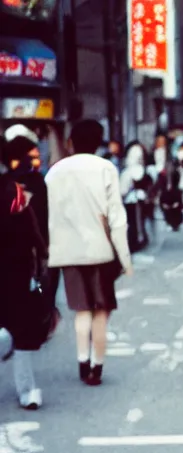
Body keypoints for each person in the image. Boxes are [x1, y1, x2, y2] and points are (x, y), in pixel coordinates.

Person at [46, 119, 132, 387]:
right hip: (100, 251)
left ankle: (82, 361)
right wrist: (126, 259)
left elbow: (48, 213)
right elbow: (117, 217)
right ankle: (97, 366)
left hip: (67, 251)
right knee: (101, 310)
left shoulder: (55, 172)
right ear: (98, 142)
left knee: (81, 310)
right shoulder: (106, 168)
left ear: (71, 142)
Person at [0, 156, 50, 409]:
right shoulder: (14, 193)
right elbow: (32, 230)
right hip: (15, 269)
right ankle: (27, 390)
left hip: (14, 268)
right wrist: (41, 257)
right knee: (22, 331)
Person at [120, 142, 153, 252]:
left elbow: (123, 189)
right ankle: (142, 238)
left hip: (131, 201)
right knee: (141, 221)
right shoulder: (144, 170)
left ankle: (133, 242)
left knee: (132, 223)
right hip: (143, 199)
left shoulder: (128, 172)